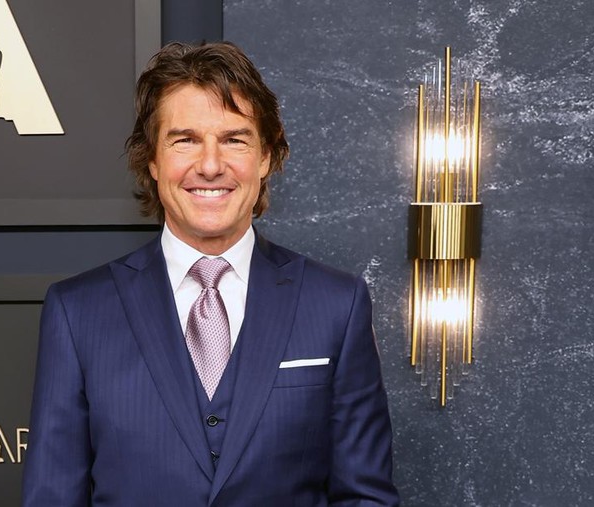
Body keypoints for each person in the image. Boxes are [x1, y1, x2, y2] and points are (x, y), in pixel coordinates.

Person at [22, 41, 399, 506]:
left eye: (234, 139)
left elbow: (365, 498)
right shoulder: (77, 312)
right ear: (153, 160)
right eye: (185, 140)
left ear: (265, 157)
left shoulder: (337, 305)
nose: (210, 165)